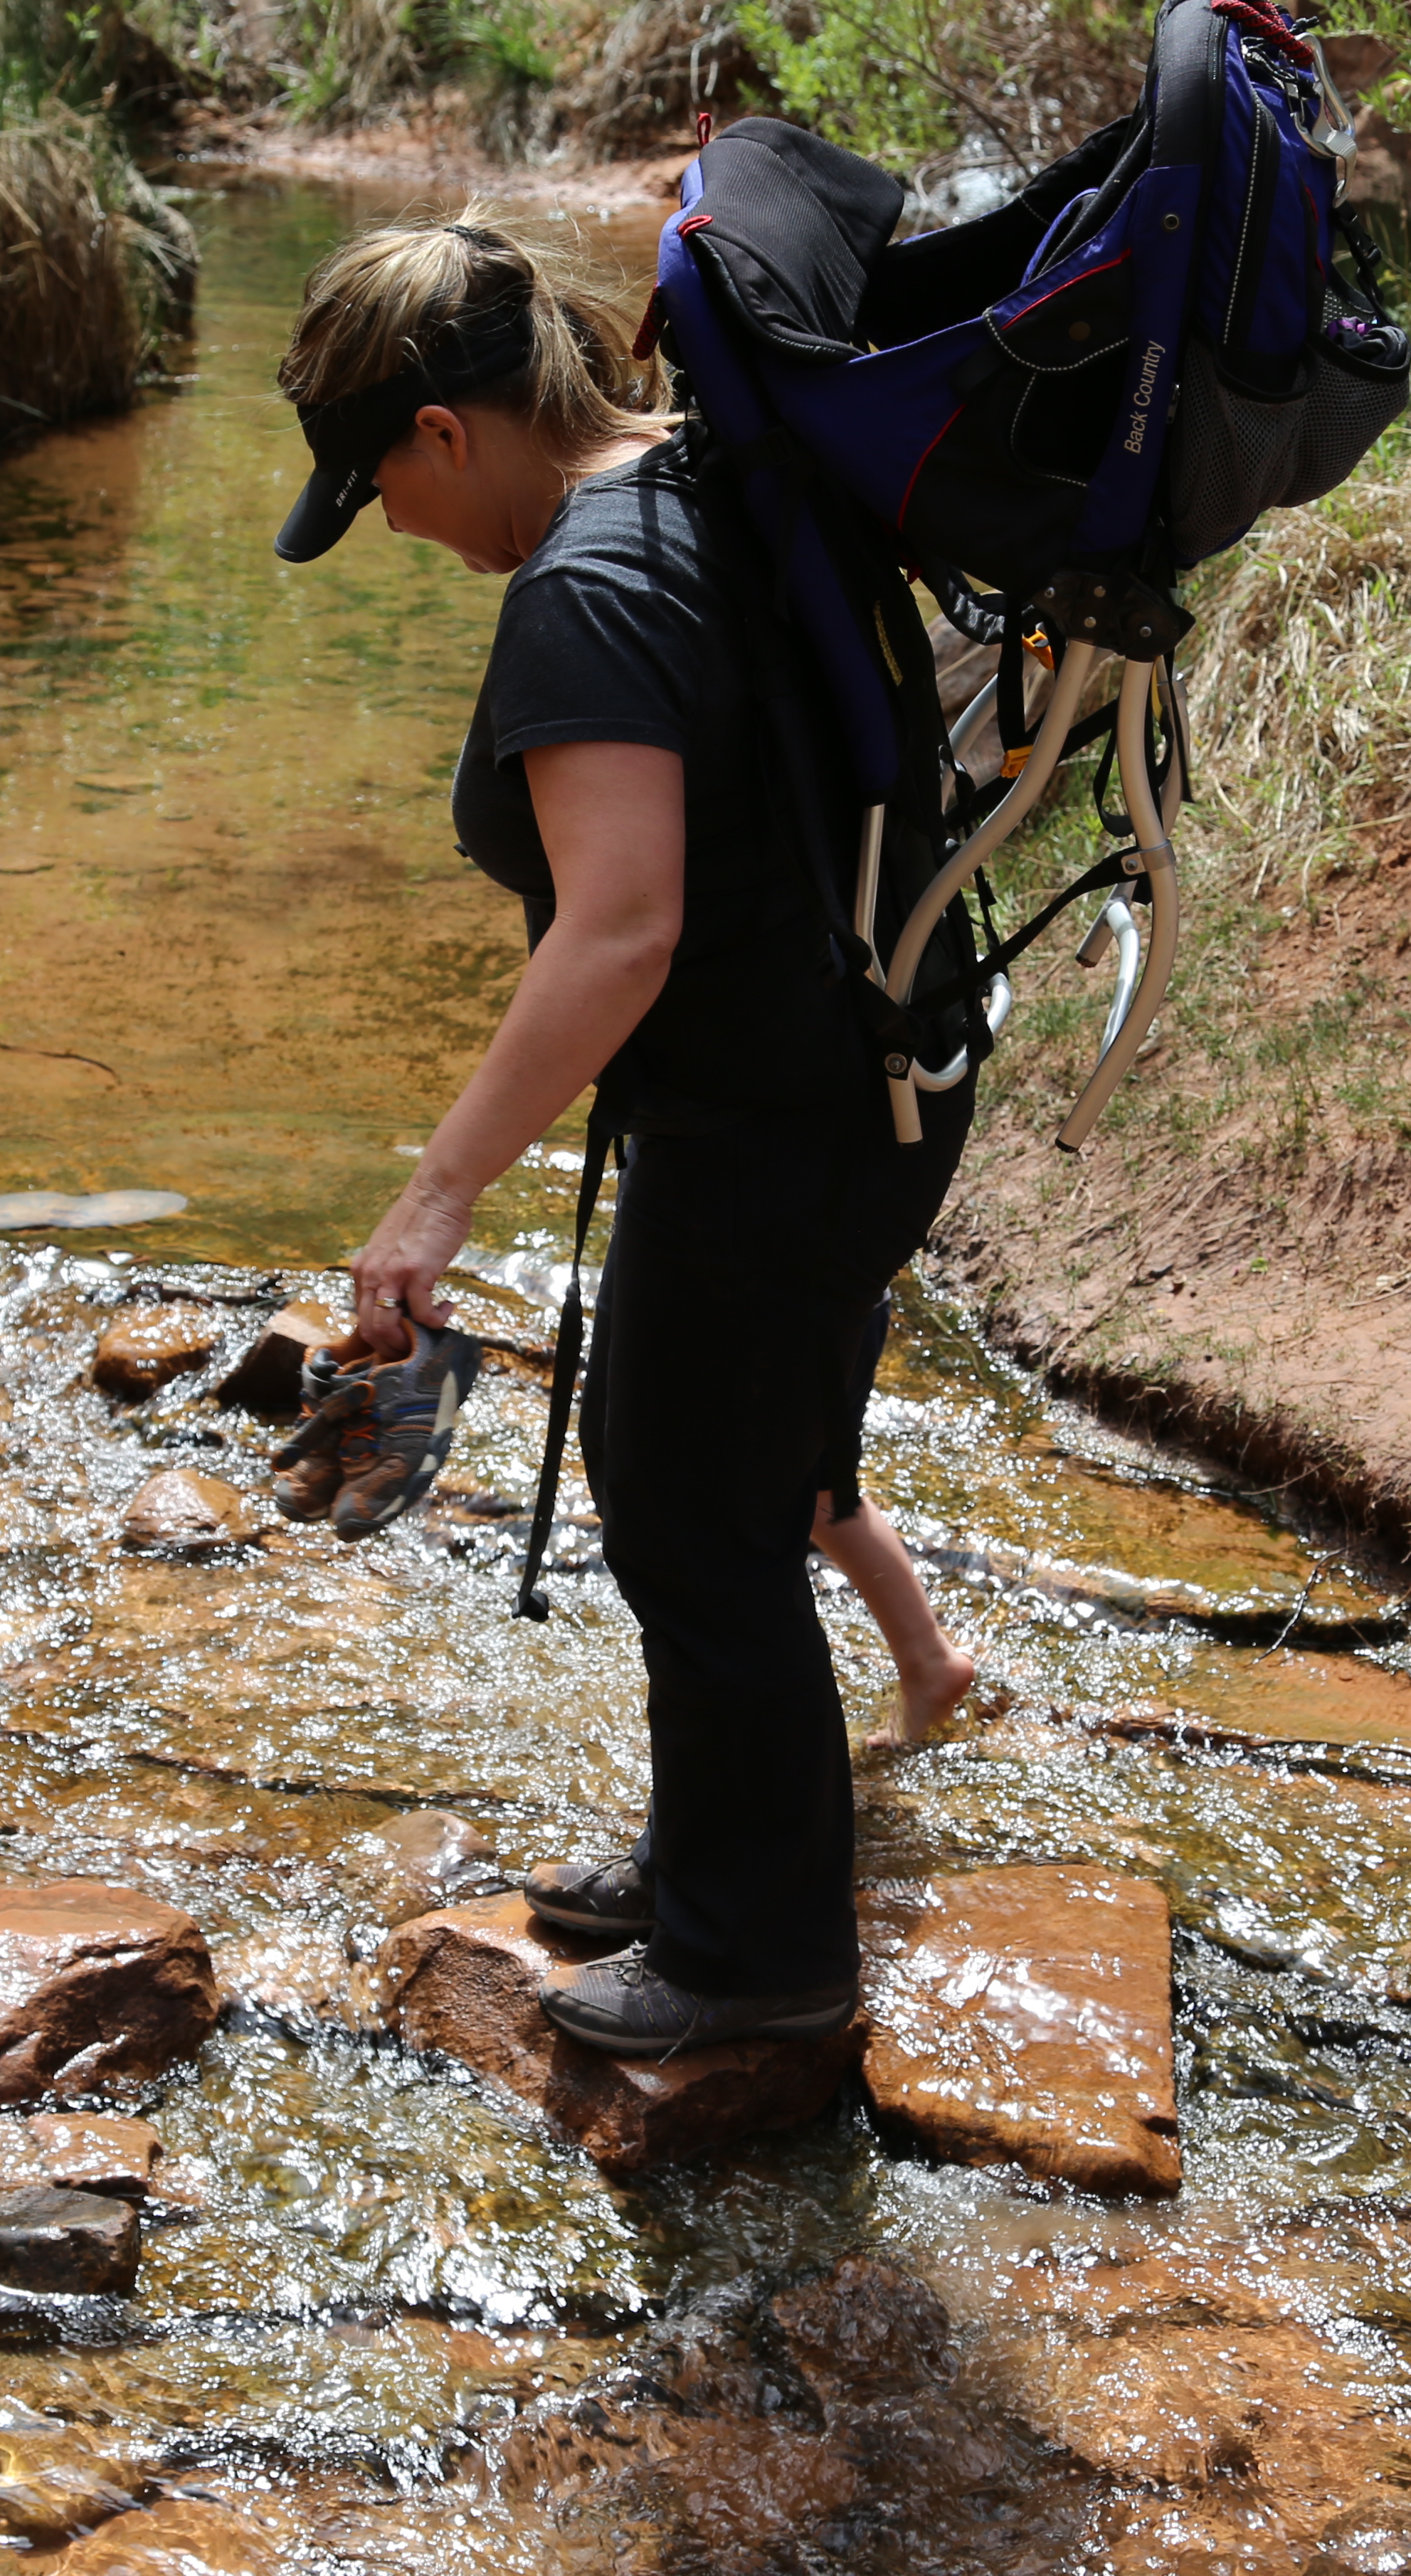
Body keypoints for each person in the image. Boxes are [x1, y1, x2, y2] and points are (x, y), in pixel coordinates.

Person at [271, 208, 977, 2054]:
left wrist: (433, 1200)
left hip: (779, 1113)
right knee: (728, 1483)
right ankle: (711, 1864)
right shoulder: (703, 481)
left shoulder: (585, 583)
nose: (403, 537)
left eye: (383, 492)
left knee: (686, 1512)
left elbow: (622, 924)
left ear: (445, 430)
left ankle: (758, 1965)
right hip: (879, 1076)